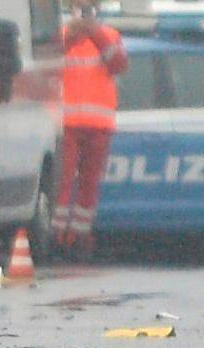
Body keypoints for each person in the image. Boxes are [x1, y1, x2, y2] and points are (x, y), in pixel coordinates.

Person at [54, 0, 126, 259]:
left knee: (89, 185)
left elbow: (118, 65)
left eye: (88, 9)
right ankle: (57, 237)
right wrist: (70, 37)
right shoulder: (61, 34)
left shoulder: (109, 35)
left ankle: (79, 238)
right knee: (62, 183)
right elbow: (46, 65)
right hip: (67, 123)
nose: (84, 14)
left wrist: (96, 33)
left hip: (98, 125)